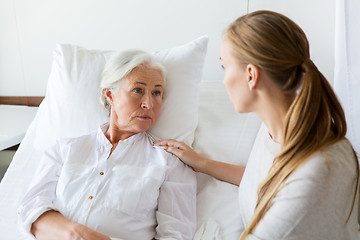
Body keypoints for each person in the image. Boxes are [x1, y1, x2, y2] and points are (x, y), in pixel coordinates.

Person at [154, 10, 359, 240]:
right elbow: (264, 181)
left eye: (225, 67)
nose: (223, 81)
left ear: (251, 75)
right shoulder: (276, 129)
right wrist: (201, 163)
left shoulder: (317, 174)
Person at [17, 50, 197, 240]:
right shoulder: (65, 150)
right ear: (110, 95)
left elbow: (177, 235)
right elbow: (29, 210)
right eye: (138, 90)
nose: (149, 104)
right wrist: (76, 234)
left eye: (156, 93)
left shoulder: (170, 162)